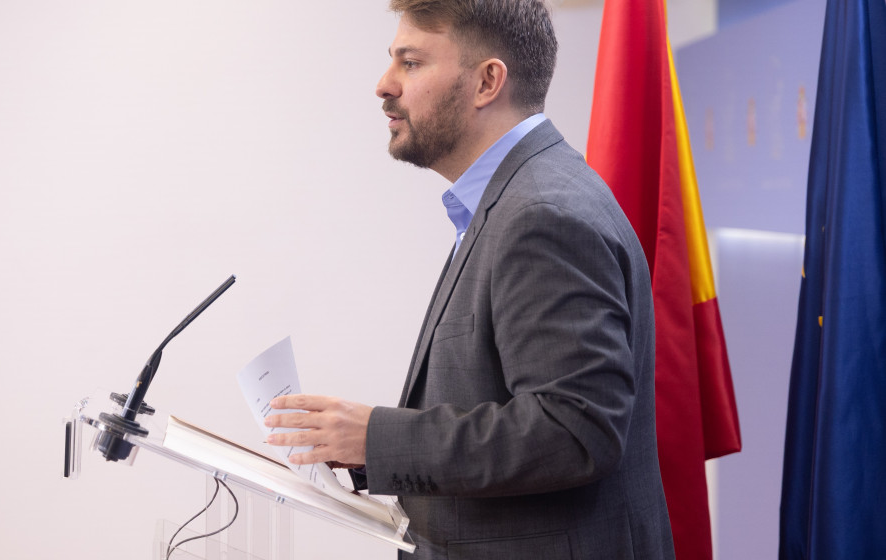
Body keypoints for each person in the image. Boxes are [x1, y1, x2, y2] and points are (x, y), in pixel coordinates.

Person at [264, 1, 675, 558]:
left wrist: (377, 437)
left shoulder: (541, 214)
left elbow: (575, 431)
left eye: (410, 62)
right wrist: (368, 451)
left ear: (487, 81)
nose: (384, 85)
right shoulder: (514, 199)